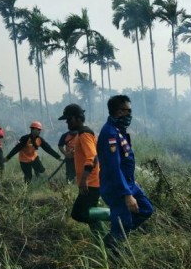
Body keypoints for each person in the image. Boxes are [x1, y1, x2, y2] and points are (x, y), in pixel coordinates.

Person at [97, 95, 154, 251]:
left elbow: (124, 162)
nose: (130, 114)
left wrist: (131, 182)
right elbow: (113, 167)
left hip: (128, 183)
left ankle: (114, 234)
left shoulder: (119, 131)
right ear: (118, 111)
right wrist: (126, 194)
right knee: (124, 222)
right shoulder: (110, 134)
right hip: (116, 187)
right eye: (127, 111)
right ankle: (113, 249)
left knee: (146, 209)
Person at [58, 104, 105, 234]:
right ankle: (104, 241)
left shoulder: (84, 134)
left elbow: (92, 157)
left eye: (69, 119)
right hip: (90, 183)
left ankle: (114, 217)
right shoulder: (81, 134)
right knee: (87, 213)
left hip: (90, 183)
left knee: (79, 213)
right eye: (66, 120)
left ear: (79, 118)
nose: (67, 123)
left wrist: (84, 180)